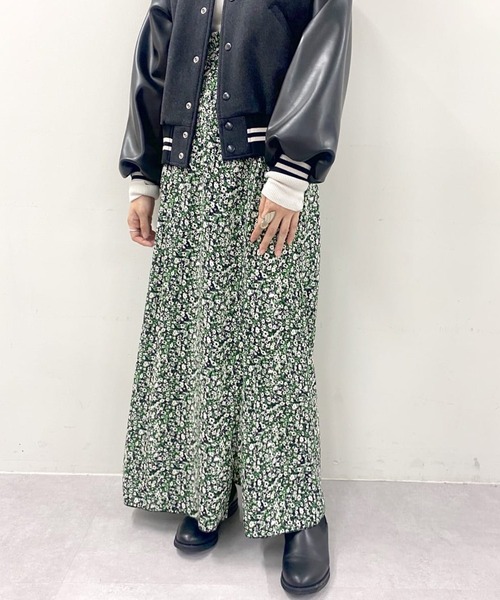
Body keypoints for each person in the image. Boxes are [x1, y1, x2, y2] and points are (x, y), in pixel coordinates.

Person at [118, 0, 352, 594]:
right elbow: (156, 55)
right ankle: (208, 488)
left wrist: (294, 168)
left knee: (275, 338)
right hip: (188, 162)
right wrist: (144, 176)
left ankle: (297, 510)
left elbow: (325, 41)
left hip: (270, 163)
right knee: (200, 331)